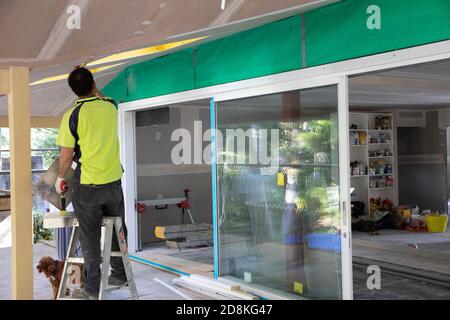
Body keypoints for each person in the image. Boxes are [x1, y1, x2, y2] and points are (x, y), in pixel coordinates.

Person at [55, 67, 127, 300]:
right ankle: (120, 273)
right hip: (113, 183)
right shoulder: (110, 106)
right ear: (93, 84)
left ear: (72, 91)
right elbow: (104, 96)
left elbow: (66, 157)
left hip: (88, 187)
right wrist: (94, 87)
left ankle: (91, 289)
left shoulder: (71, 116)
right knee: (118, 229)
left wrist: (59, 179)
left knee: (90, 239)